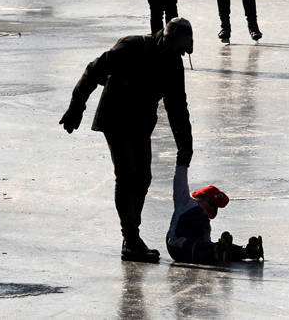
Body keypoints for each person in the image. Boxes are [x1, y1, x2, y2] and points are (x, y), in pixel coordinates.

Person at [59, 17, 194, 263]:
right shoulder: (132, 47)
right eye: (178, 47)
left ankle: (132, 236)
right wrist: (76, 106)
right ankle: (131, 238)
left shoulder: (173, 66)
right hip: (115, 117)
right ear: (166, 40)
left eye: (184, 50)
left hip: (140, 123)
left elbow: (177, 108)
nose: (179, 53)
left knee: (143, 178)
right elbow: (94, 69)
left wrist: (186, 145)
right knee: (127, 175)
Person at [167, 163, 264, 264]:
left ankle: (248, 252)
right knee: (203, 248)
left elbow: (206, 241)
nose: (213, 210)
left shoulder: (205, 220)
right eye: (212, 204)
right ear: (202, 197)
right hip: (177, 246)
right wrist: (182, 161)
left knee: (218, 247)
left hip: (197, 249)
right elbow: (180, 180)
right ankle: (217, 252)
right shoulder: (185, 202)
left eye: (215, 207)